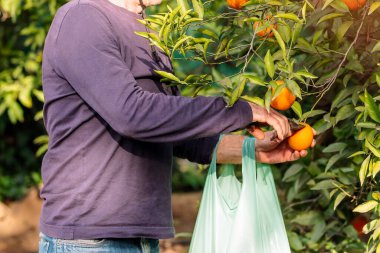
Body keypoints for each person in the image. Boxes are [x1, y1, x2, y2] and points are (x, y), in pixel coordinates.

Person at [38, 0, 315, 252]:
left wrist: (252, 149)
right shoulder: (82, 17)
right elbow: (132, 114)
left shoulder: (149, 32)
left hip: (142, 239)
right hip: (88, 239)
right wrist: (239, 110)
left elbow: (177, 135)